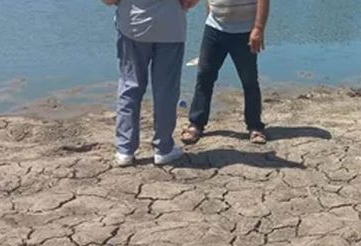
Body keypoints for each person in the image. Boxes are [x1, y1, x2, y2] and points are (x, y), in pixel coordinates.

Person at [102, 0, 200, 167]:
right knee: (166, 91)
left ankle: (125, 150)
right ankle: (163, 148)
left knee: (129, 87)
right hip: (171, 27)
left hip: (133, 25)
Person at [180, 0, 270, 146]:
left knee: (249, 80)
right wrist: (209, 18)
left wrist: (258, 28)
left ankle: (255, 126)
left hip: (245, 31)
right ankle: (196, 123)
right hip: (214, 28)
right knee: (204, 76)